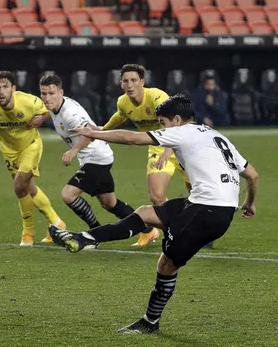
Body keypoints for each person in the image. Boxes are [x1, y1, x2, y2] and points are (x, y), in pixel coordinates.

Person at [49, 94, 259, 334]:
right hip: (207, 204)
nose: (162, 128)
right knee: (146, 213)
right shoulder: (216, 135)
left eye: (162, 122)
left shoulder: (182, 131)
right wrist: (248, 203)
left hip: (207, 212)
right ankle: (85, 238)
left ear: (177, 120)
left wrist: (93, 133)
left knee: (167, 265)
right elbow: (252, 175)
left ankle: (150, 322)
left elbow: (132, 138)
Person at [0, 71, 67, 246]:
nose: (1, 92)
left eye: (5, 87)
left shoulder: (29, 101)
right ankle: (57, 223)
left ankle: (28, 233)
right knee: (28, 188)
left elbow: (52, 109)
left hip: (31, 146)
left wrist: (41, 119)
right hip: (9, 151)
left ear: (13, 89)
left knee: (19, 185)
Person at [38, 73, 137, 240]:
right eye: (44, 93)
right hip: (96, 157)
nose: (47, 98)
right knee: (109, 202)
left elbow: (90, 132)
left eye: (51, 93)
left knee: (68, 195)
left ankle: (95, 231)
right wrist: (41, 118)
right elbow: (53, 113)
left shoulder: (71, 113)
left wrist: (73, 150)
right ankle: (148, 228)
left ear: (61, 92)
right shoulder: (56, 106)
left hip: (96, 157)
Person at [102, 64, 190, 247]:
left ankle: (201, 228)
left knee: (197, 192)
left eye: (133, 80)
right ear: (121, 84)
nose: (129, 85)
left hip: (181, 145)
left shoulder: (157, 97)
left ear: (142, 82)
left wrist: (169, 149)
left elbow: (175, 124)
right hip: (157, 148)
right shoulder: (123, 102)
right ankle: (177, 230)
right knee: (157, 197)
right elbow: (120, 116)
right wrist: (102, 131)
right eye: (125, 81)